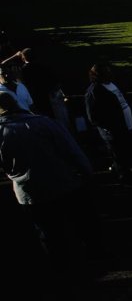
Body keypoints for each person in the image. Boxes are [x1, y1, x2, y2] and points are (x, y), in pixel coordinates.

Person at [0, 92, 99, 271]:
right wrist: (87, 173)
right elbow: (73, 151)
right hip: (64, 182)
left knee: (49, 232)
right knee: (82, 223)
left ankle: (62, 267)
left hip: (30, 191)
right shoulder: (45, 123)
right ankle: (93, 256)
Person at [84, 62, 132, 181]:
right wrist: (108, 127)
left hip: (127, 125)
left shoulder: (113, 84)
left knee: (128, 150)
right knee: (119, 154)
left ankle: (119, 169)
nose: (110, 73)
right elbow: (93, 116)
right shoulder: (94, 91)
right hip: (114, 130)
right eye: (106, 71)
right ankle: (124, 177)